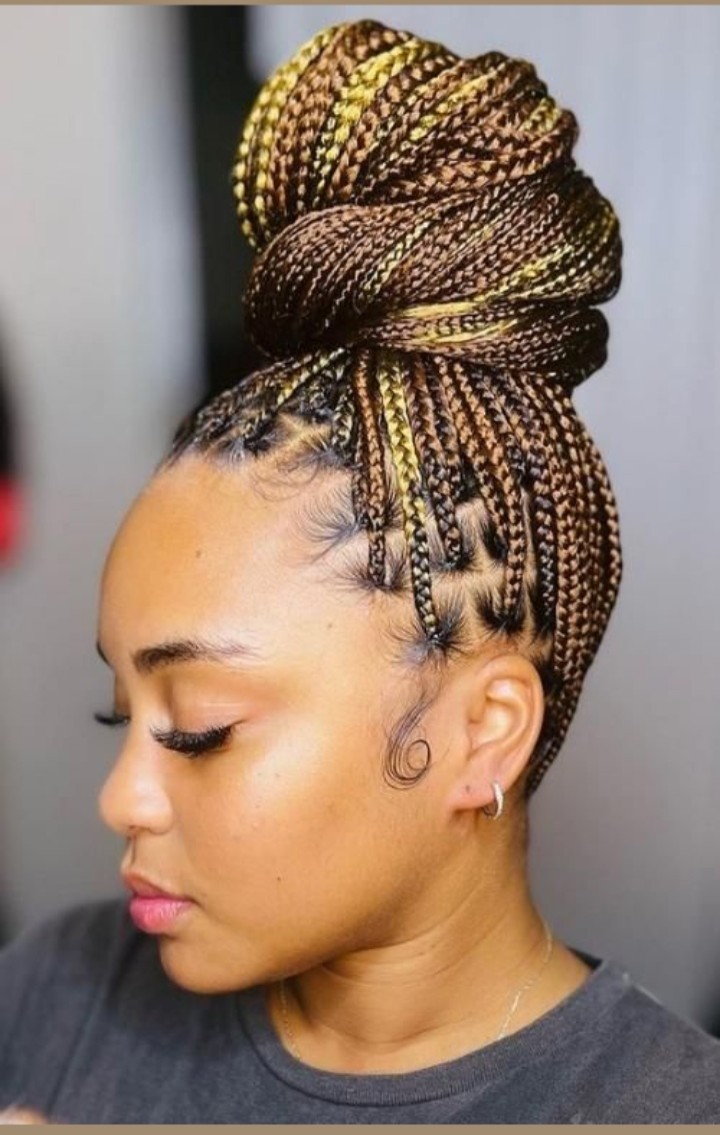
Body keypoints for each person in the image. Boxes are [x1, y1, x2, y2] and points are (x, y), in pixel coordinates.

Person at [1, 19, 719, 1124]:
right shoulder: (57, 994)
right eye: (120, 716)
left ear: (482, 732)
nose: (120, 797)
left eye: (199, 729)